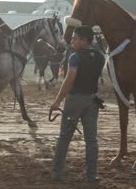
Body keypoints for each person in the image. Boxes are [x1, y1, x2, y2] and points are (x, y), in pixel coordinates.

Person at [50, 26, 105, 182]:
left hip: (75, 100)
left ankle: (58, 172)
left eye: (75, 38)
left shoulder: (75, 57)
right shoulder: (100, 56)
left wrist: (57, 101)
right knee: (91, 140)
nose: (72, 41)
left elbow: (69, 80)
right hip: (92, 99)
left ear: (84, 40)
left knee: (64, 137)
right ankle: (91, 174)